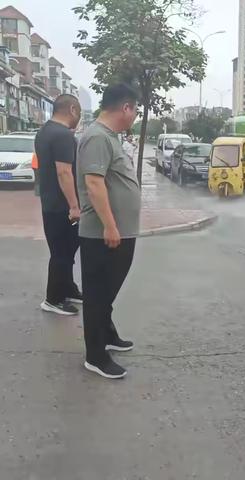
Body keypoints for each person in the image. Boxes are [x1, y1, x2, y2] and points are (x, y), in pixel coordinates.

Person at [77, 84, 140, 379]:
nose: (136, 115)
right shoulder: (97, 137)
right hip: (103, 234)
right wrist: (111, 225)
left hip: (118, 232)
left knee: (107, 291)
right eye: (135, 109)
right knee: (97, 293)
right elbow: (93, 183)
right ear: (126, 108)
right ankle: (95, 355)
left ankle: (108, 333)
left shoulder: (109, 137)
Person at [35, 94, 82, 315]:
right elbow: (64, 172)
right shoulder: (62, 135)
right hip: (63, 206)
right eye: (79, 113)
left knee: (65, 251)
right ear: (72, 109)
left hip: (50, 203)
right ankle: (53, 299)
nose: (78, 119)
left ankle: (67, 288)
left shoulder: (44, 131)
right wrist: (74, 206)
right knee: (62, 253)